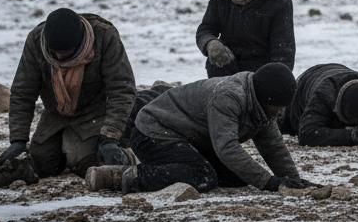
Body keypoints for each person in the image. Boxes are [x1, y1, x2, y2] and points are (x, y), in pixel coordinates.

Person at [86, 63, 312, 194]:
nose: (281, 112)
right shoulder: (230, 97)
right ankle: (127, 176)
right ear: (265, 98)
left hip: (188, 139)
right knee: (202, 175)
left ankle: (160, 165)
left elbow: (273, 147)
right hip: (153, 132)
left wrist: (294, 181)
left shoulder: (261, 105)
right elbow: (227, 149)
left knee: (239, 177)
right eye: (278, 106)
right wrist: (270, 183)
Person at [0, 8, 136, 184]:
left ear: (80, 42)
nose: (59, 57)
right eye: (55, 52)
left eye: (65, 53)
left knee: (88, 163)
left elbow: (121, 89)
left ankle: (128, 154)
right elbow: (23, 93)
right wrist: (18, 141)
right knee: (40, 163)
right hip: (55, 114)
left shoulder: (104, 37)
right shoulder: (36, 41)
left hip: (95, 112)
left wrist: (110, 138)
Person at [280, 63, 358, 146]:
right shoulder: (325, 94)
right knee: (282, 127)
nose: (354, 124)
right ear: (338, 107)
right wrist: (351, 136)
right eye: (351, 119)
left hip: (337, 72)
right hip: (305, 85)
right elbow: (307, 133)